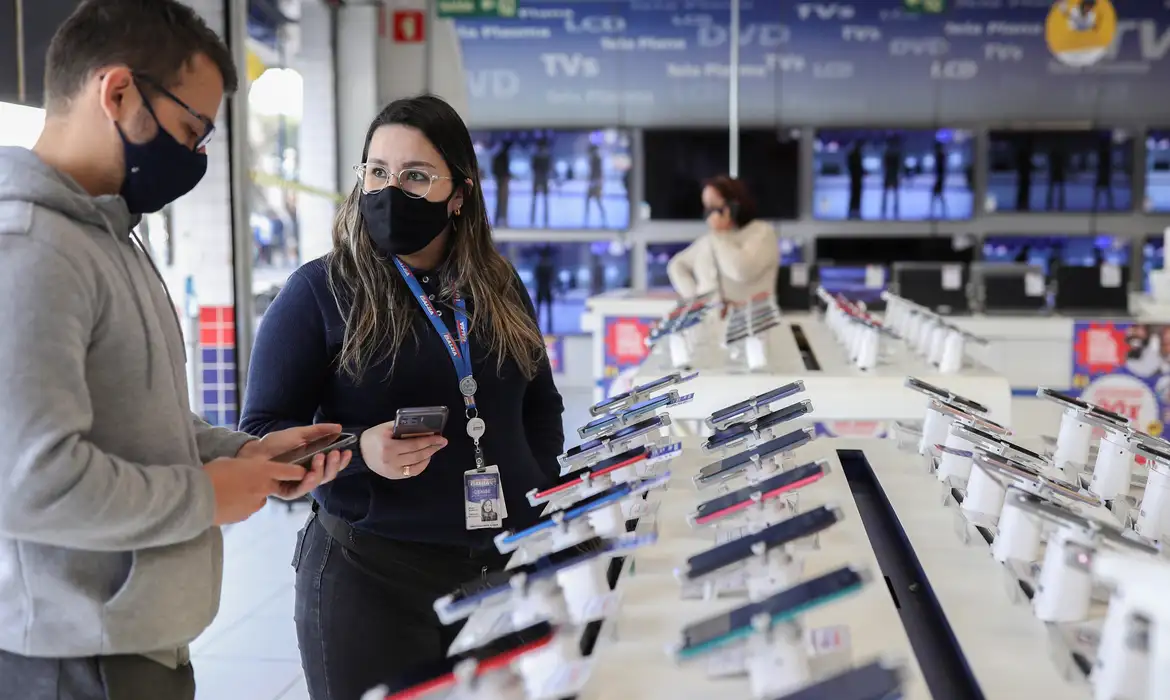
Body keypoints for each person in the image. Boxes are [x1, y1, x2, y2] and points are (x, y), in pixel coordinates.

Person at [0, 2, 352, 699]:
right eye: (190, 130)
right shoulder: (30, 250)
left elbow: (139, 418)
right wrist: (205, 495)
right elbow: (28, 482)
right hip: (75, 659)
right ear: (118, 91)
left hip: (135, 644)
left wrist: (235, 455)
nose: (193, 157)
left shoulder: (110, 237)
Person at [239, 94, 566, 700]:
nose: (392, 191)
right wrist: (359, 450)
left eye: (416, 176)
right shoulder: (319, 291)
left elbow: (540, 402)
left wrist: (538, 489)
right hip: (374, 579)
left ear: (459, 193)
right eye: (378, 172)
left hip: (504, 569)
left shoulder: (496, 283)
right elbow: (260, 434)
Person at [666, 175, 780, 302]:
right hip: (711, 319)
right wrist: (695, 299)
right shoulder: (709, 240)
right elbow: (677, 266)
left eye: (714, 207)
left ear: (732, 207)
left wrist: (721, 235)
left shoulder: (761, 233)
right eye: (707, 207)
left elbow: (740, 271)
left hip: (749, 319)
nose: (710, 214)